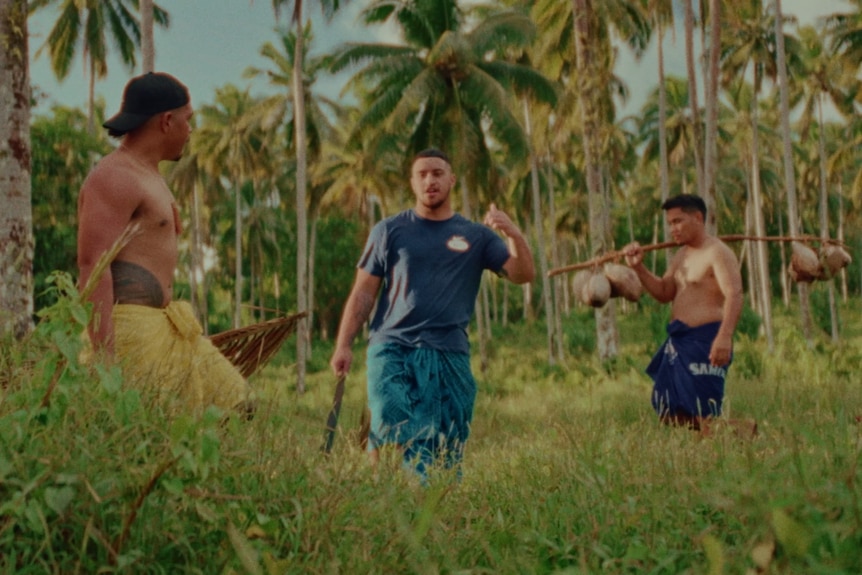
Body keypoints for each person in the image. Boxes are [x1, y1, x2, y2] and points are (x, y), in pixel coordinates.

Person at [329, 148, 535, 481]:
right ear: (412, 183)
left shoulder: (476, 236)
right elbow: (365, 291)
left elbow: (523, 274)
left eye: (438, 173)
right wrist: (343, 344)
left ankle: (434, 511)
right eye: (422, 174)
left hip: (448, 352)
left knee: (445, 444)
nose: (430, 180)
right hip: (391, 346)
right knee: (387, 423)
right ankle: (384, 500)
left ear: (451, 180)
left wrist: (513, 233)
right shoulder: (390, 230)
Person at [77, 72, 253, 417]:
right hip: (130, 331)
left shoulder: (150, 174)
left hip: (167, 326)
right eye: (188, 120)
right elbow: (92, 267)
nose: (191, 130)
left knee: (240, 405)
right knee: (151, 432)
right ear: (167, 121)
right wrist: (105, 359)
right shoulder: (115, 176)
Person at [623, 194, 746, 433]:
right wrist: (638, 267)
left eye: (678, 221)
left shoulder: (717, 252)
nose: (673, 229)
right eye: (670, 224)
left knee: (703, 412)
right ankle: (706, 453)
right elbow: (664, 291)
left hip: (705, 340)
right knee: (672, 411)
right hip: (680, 342)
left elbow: (734, 294)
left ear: (698, 218)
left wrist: (724, 336)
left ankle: (745, 436)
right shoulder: (682, 256)